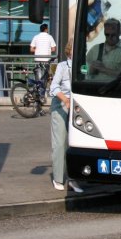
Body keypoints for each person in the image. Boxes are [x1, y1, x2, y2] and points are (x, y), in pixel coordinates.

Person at [48, 53, 82, 193]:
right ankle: (58, 178)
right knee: (60, 142)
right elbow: (54, 87)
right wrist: (65, 100)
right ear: (70, 51)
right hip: (61, 104)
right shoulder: (62, 66)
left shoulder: (82, 66)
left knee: (74, 142)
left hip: (76, 104)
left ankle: (72, 179)